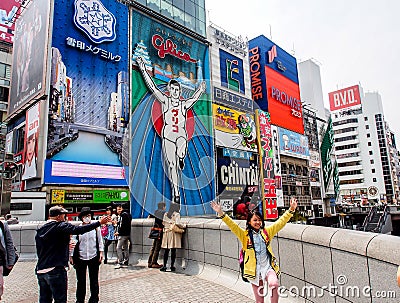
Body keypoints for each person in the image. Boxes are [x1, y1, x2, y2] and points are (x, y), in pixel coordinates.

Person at [137, 56, 206, 204]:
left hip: (180, 134)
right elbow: (153, 87)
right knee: (171, 165)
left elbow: (193, 99)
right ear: (169, 89)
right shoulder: (165, 100)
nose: (175, 91)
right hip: (167, 135)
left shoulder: (183, 104)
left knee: (181, 150)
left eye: (177, 89)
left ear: (179, 90)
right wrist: (143, 69)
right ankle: (176, 192)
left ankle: (182, 157)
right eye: (173, 89)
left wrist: (200, 90)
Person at [211, 197, 298, 303]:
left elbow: (280, 223)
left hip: (267, 267)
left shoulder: (266, 232)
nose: (258, 222)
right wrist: (220, 212)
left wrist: (291, 210)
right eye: (255, 220)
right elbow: (232, 225)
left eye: (259, 220)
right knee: (259, 301)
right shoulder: (244, 235)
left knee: (274, 284)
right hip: (254, 271)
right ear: (249, 222)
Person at [35, 206, 110, 303]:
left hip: (41, 270)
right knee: (60, 299)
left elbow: (47, 247)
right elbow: (79, 230)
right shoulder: (60, 226)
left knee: (44, 300)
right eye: (63, 215)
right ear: (58, 216)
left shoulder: (41, 229)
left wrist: (66, 246)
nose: (65, 217)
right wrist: (99, 223)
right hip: (56, 270)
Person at [70, 207, 104, 303]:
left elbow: (100, 240)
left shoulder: (96, 228)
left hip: (93, 256)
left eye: (89, 216)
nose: (87, 218)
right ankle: (80, 300)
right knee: (81, 281)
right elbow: (73, 242)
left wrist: (101, 253)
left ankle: (94, 299)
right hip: (81, 257)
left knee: (94, 280)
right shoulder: (78, 229)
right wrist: (71, 256)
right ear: (81, 218)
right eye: (85, 216)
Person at [160, 202, 185, 272]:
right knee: (173, 250)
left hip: (166, 232)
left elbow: (163, 223)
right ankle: (172, 266)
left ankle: (164, 266)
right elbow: (178, 223)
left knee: (166, 250)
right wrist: (184, 226)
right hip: (173, 233)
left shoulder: (166, 214)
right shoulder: (176, 214)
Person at [0, 219, 17, 301]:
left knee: (0, 285)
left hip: (0, 261)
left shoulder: (2, 225)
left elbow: (9, 243)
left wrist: (11, 261)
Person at [148, 201, 166, 268]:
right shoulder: (163, 213)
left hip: (155, 231)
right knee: (157, 248)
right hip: (160, 231)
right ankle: (154, 262)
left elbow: (151, 215)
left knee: (153, 247)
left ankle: (149, 262)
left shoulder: (156, 211)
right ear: (163, 207)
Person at [114, 204, 132, 269]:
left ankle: (120, 262)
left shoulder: (122, 215)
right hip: (127, 234)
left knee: (118, 248)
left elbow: (122, 225)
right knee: (126, 247)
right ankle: (126, 260)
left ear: (122, 208)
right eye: (117, 209)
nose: (118, 211)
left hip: (122, 234)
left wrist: (118, 232)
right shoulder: (128, 214)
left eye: (119, 209)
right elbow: (126, 223)